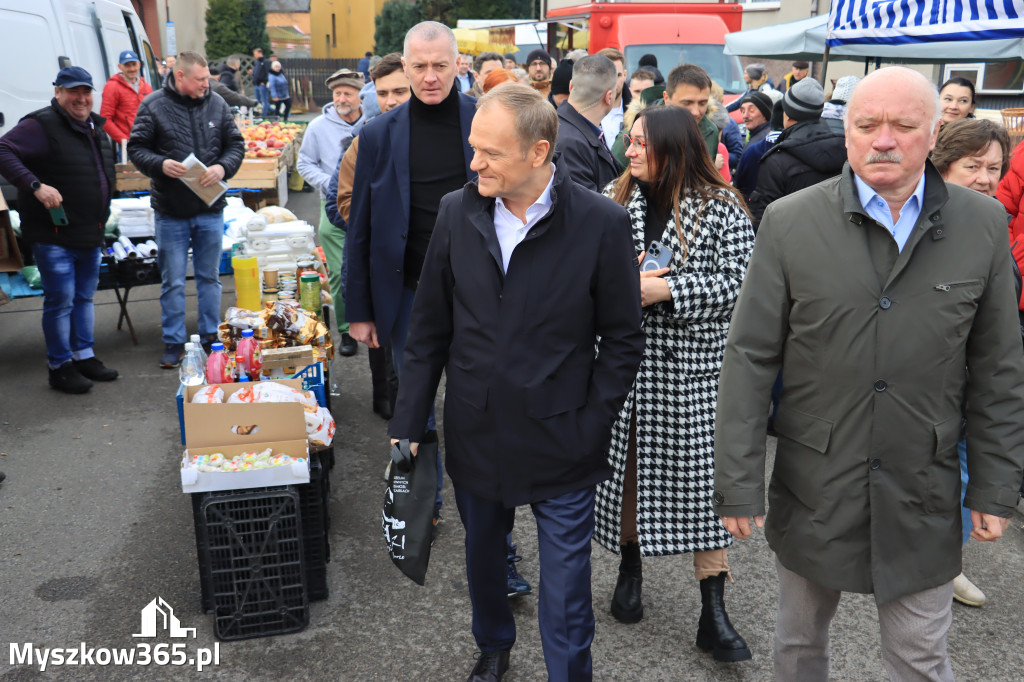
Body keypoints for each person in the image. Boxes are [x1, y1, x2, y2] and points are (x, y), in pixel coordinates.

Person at [714, 66, 1024, 682]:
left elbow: (997, 368)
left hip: (924, 488)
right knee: (798, 647)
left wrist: (993, 485)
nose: (884, 139)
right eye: (867, 124)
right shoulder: (790, 222)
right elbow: (750, 357)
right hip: (815, 483)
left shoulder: (981, 224)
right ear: (846, 132)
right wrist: (738, 481)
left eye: (904, 125)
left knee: (919, 658)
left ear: (935, 132)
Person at [389, 82, 644, 682]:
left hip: (565, 436)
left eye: (490, 152)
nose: (473, 162)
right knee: (483, 559)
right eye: (473, 148)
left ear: (538, 152)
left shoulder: (602, 223)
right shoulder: (458, 211)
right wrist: (409, 423)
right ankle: (494, 644)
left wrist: (593, 422)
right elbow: (428, 329)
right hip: (476, 428)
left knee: (565, 588)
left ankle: (568, 673)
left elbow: (623, 338)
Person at [595, 104, 754, 661]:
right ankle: (629, 567)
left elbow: (739, 284)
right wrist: (621, 285)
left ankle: (714, 613)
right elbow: (584, 274)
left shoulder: (722, 208)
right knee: (630, 480)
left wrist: (669, 291)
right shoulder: (613, 200)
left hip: (692, 374)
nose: (630, 150)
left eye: (640, 142)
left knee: (703, 491)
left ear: (672, 147)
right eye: (628, 140)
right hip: (626, 369)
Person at [345, 20, 476, 534]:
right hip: (404, 299)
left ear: (457, 64)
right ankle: (422, 507)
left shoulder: (483, 120)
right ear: (404, 66)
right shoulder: (378, 134)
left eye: (439, 65)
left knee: (475, 413)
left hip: (476, 297)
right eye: (418, 66)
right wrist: (359, 311)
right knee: (412, 410)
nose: (428, 77)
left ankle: (489, 529)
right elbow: (361, 228)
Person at [930, 117, 1013, 608]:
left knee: (962, 467)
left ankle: (948, 565)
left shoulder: (992, 223)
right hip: (929, 380)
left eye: (994, 168)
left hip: (971, 379)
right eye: (973, 166)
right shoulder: (925, 221)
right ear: (943, 167)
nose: (985, 177)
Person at [0, 66, 119, 393]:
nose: (80, 99)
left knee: (83, 297)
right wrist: (35, 185)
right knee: (61, 299)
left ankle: (84, 355)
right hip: (54, 235)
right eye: (72, 91)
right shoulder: (40, 125)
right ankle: (59, 366)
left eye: (86, 92)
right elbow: (2, 150)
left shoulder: (96, 127)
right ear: (58, 92)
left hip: (89, 232)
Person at [127, 51, 245, 368]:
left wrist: (222, 168)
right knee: (173, 281)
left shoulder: (217, 104)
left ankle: (210, 335)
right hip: (171, 210)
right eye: (201, 79)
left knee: (209, 277)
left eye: (208, 78)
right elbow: (136, 147)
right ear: (180, 76)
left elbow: (236, 144)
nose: (207, 84)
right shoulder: (153, 105)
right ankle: (174, 341)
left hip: (210, 207)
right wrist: (160, 164)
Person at [325, 54, 409, 422]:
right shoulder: (367, 140)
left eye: (400, 91)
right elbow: (341, 203)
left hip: (431, 262)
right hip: (384, 257)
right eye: (385, 92)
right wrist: (385, 227)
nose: (392, 100)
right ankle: (386, 397)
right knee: (383, 336)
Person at [297, 67, 365, 357]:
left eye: (348, 93)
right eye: (337, 93)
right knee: (339, 273)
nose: (342, 98)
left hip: (375, 208)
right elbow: (304, 164)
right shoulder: (317, 127)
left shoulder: (374, 122)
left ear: (361, 97)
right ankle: (347, 331)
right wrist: (335, 183)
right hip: (335, 208)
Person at [748, 78, 847, 231]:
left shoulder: (776, 161)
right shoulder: (845, 150)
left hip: (789, 248)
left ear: (787, 114)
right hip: (834, 244)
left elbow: (763, 222)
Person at [554, 54, 621, 192]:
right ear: (609, 97)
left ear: (571, 86)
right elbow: (586, 207)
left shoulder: (570, 129)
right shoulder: (570, 142)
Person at [99, 49, 153, 147]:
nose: (131, 68)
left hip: (148, 143)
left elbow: (154, 114)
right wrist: (125, 141)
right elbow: (105, 118)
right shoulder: (112, 86)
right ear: (120, 66)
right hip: (128, 146)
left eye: (134, 64)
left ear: (139, 65)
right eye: (127, 65)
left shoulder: (147, 87)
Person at [597, 48, 628, 151]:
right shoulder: (586, 115)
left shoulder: (639, 115)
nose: (613, 81)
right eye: (608, 75)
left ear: (625, 75)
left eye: (618, 75)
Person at [250, 47, 270, 115]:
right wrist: (252, 73)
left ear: (260, 53)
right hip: (256, 84)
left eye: (255, 54)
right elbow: (257, 73)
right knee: (258, 100)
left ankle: (264, 115)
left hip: (262, 84)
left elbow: (268, 73)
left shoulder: (266, 62)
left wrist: (264, 82)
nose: (254, 56)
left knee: (264, 100)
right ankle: (270, 110)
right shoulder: (257, 62)